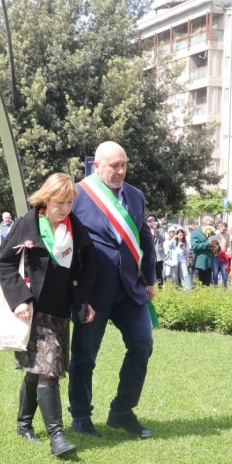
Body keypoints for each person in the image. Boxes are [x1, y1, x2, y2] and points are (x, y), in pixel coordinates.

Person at [0, 173, 97, 457]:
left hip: (60, 312)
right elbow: (5, 264)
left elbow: (88, 267)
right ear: (45, 199)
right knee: (48, 371)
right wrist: (19, 299)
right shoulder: (27, 223)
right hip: (33, 311)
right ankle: (57, 436)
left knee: (38, 370)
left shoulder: (75, 228)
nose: (64, 208)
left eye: (69, 202)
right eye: (59, 202)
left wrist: (84, 301)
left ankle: (23, 422)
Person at [68, 141, 156, 439]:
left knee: (143, 345)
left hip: (131, 290)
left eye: (124, 165)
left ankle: (121, 411)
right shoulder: (77, 194)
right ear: (96, 166)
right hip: (92, 293)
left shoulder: (135, 196)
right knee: (85, 356)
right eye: (113, 165)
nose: (120, 171)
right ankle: (80, 415)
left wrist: (152, 279)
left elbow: (145, 239)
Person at [190, 216, 216, 286]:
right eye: (209, 224)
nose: (210, 226)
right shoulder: (195, 233)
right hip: (199, 263)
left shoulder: (213, 233)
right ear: (203, 224)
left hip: (209, 263)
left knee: (207, 286)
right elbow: (194, 246)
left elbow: (217, 245)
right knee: (197, 286)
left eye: (211, 225)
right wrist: (208, 244)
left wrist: (217, 247)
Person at [150, 216, 166, 288]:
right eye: (149, 220)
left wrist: (156, 231)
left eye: (153, 220)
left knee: (159, 272)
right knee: (150, 272)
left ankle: (160, 288)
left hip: (158, 255)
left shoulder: (160, 229)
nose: (151, 222)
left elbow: (162, 239)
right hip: (149, 254)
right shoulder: (146, 229)